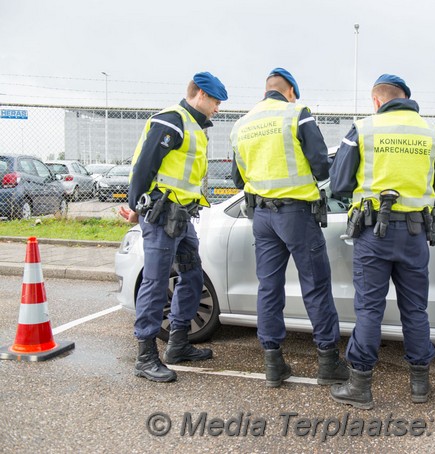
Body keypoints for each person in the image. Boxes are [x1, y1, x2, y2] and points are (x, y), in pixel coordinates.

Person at [328, 74, 435, 409]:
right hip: (415, 234)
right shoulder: (432, 133)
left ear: (377, 101)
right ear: (406, 98)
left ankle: (360, 386)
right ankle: (420, 386)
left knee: (369, 308)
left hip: (372, 234)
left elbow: (338, 183)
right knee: (415, 309)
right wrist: (422, 214)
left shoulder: (364, 129)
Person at [230, 67, 348, 388]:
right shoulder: (297, 114)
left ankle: (273, 364)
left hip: (262, 219)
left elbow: (238, 179)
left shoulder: (242, 125)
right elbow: (321, 163)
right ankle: (328, 361)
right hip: (296, 215)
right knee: (315, 285)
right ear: (291, 91)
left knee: (269, 288)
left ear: (265, 91)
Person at [118, 71, 228, 382]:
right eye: (216, 101)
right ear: (201, 95)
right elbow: (143, 167)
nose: (218, 107)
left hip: (182, 218)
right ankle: (145, 356)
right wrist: (136, 207)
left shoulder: (195, 127)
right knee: (155, 283)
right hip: (162, 216)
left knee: (192, 277)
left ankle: (178, 343)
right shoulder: (172, 120)